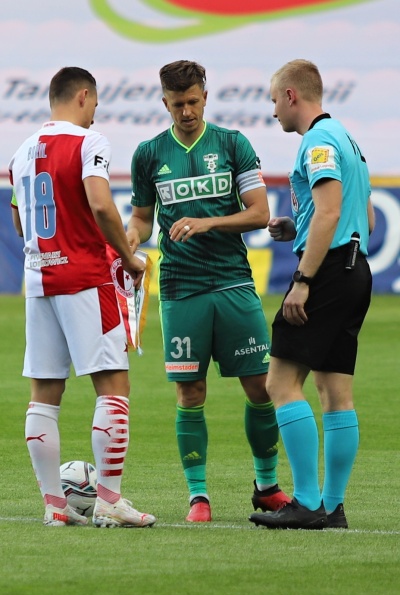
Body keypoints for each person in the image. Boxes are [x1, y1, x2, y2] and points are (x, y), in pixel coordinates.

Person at [127, 59, 290, 522]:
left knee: (260, 386)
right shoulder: (149, 154)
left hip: (233, 281)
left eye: (193, 102)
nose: (186, 112)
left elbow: (259, 213)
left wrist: (208, 222)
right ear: (164, 102)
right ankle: (198, 497)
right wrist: (130, 239)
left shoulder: (233, 144)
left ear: (205, 96)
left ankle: (267, 487)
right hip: (181, 288)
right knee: (190, 392)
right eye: (177, 104)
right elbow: (141, 217)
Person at [9, 66, 156, 528]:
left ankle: (55, 506)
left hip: (39, 282)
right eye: (94, 104)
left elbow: (19, 222)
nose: (95, 113)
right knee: (113, 385)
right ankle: (109, 501)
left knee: (43, 395)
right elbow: (99, 202)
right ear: (84, 96)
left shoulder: (20, 151)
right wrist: (129, 259)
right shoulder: (89, 141)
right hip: (86, 278)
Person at [249, 59, 375, 530]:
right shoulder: (348, 140)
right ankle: (333, 507)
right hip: (356, 269)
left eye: (274, 101)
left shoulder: (318, 141)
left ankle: (305, 501)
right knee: (335, 392)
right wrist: (296, 228)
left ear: (291, 96)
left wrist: (303, 280)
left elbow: (329, 212)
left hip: (326, 272)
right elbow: (364, 217)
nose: (273, 112)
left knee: (280, 383)